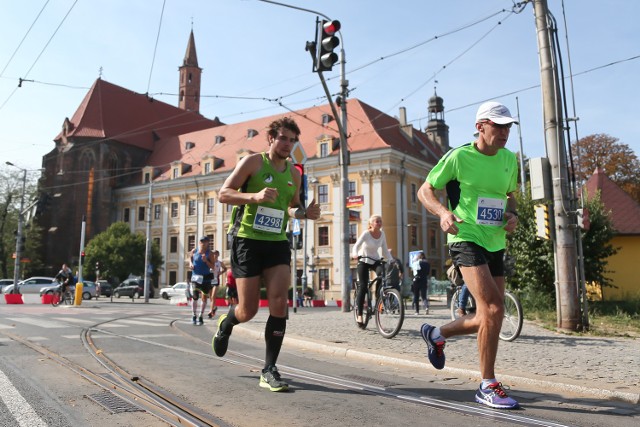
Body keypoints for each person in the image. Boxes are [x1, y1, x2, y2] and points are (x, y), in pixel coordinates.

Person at [417, 101, 520, 410]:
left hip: (495, 242)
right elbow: (425, 190)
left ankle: (435, 333)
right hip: (465, 237)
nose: (504, 132)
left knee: (490, 315)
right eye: (498, 125)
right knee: (493, 307)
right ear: (480, 126)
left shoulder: (509, 159)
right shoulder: (459, 157)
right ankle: (487, 384)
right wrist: (443, 213)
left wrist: (512, 215)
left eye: (508, 126)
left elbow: (510, 196)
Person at [213, 117, 321, 392]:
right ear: (271, 139)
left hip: (277, 241)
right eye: (283, 138)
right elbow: (224, 194)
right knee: (248, 310)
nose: (287, 144)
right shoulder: (253, 162)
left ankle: (269, 369)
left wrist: (304, 213)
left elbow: (291, 206)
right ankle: (227, 322)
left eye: (292, 140)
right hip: (247, 240)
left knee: (278, 303)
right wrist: (255, 197)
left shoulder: (294, 173)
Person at [351, 215, 392, 325]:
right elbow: (356, 246)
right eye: (377, 221)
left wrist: (392, 260)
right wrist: (355, 254)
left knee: (381, 275)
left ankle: (379, 298)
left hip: (375, 260)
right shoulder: (366, 233)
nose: (379, 223)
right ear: (371, 224)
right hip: (363, 260)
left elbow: (385, 250)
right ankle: (359, 314)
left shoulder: (382, 234)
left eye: (380, 221)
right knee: (363, 287)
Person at [188, 236, 215, 325]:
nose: (203, 243)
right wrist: (191, 264)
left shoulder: (210, 254)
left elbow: (213, 266)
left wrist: (206, 261)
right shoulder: (194, 251)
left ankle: (200, 316)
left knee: (204, 298)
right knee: (195, 296)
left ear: (208, 243)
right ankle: (193, 315)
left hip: (205, 278)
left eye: (205, 241)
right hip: (195, 277)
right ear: (199, 242)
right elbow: (190, 258)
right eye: (202, 241)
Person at [207, 250, 227, 318]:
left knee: (213, 296)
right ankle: (214, 307)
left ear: (218, 255)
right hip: (210, 280)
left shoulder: (220, 263)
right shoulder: (210, 262)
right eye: (214, 254)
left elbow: (225, 268)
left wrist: (220, 272)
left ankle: (211, 311)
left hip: (216, 281)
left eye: (216, 254)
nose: (215, 255)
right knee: (210, 297)